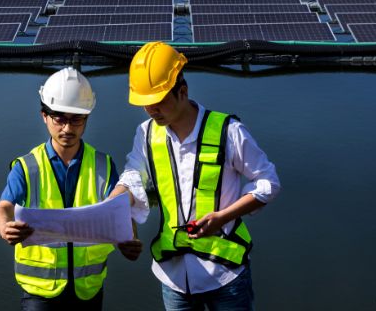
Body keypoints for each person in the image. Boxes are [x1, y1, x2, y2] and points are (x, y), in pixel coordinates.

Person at [110, 41, 281, 310]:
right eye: (146, 104)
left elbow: (268, 183)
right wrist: (114, 205)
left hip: (225, 277)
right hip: (173, 277)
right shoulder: (146, 134)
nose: (152, 110)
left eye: (159, 101)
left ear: (183, 91)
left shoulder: (228, 131)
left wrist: (224, 217)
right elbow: (133, 175)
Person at [0, 67, 123, 310]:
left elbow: (119, 214)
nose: (67, 128)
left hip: (88, 288)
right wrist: (4, 228)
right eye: (59, 118)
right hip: (40, 293)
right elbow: (3, 208)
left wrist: (128, 238)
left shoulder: (104, 165)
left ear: (87, 118)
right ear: (44, 116)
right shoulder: (27, 166)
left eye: (76, 119)